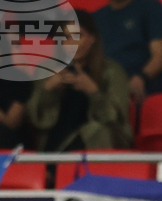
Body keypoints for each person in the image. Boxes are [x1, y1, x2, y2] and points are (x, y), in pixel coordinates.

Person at [29, 10, 132, 151]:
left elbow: (116, 119)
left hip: (98, 143)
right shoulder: (47, 69)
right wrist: (48, 89)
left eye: (78, 36)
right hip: (55, 142)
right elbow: (37, 120)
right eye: (66, 37)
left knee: (97, 130)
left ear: (92, 38)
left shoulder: (112, 71)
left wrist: (93, 91)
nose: (72, 44)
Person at [94, 0, 162, 102]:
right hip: (107, 86)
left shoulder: (149, 7)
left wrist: (141, 77)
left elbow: (159, 56)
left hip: (144, 82)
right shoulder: (96, 17)